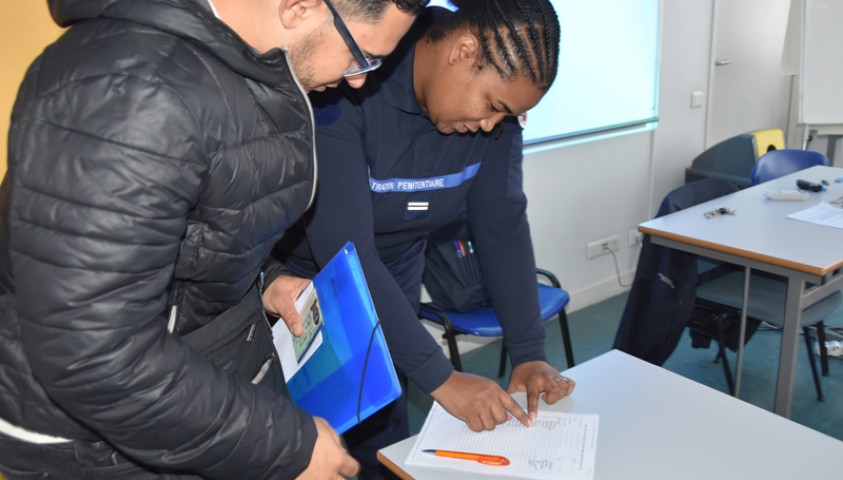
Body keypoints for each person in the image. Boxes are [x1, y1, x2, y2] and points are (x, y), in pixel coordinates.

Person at [0, 0, 429, 478]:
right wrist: (286, 444)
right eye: (361, 55)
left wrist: (265, 276)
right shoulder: (133, 93)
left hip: (196, 385)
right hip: (103, 441)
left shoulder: (241, 64)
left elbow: (190, 225)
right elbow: (92, 350)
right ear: (300, 7)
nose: (358, 80)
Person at [274, 1, 574, 478]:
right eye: (494, 106)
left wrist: (529, 350)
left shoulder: (495, 122)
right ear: (464, 50)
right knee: (296, 447)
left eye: (508, 116)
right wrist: (442, 378)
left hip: (393, 283)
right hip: (304, 289)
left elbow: (502, 226)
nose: (490, 125)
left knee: (383, 448)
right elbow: (347, 256)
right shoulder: (352, 80)